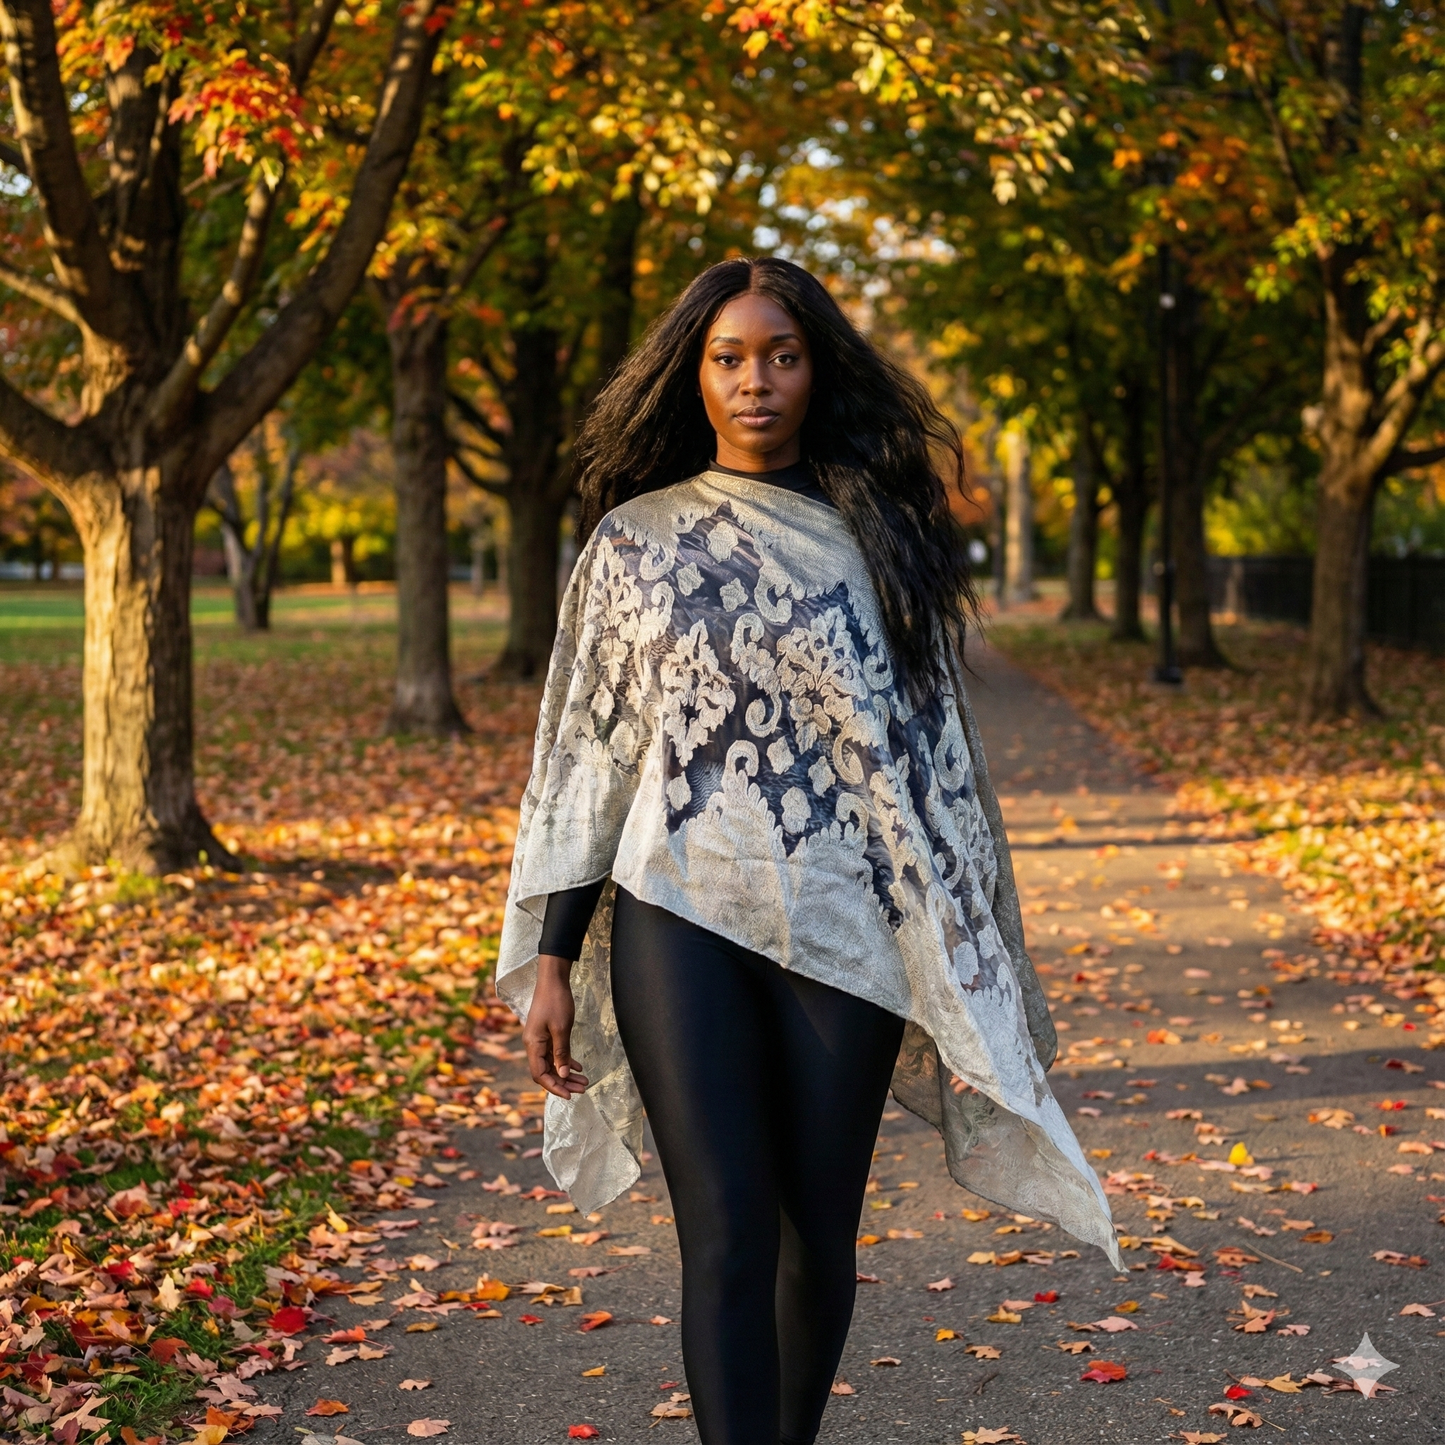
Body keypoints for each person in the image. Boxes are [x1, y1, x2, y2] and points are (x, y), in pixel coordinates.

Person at [496, 257, 1117, 1445]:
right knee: (725, 1222)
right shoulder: (632, 545)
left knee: (814, 1233)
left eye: (780, 354)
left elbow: (928, 762)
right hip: (675, 912)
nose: (755, 380)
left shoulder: (881, 545)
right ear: (692, 375)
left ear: (815, 369)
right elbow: (590, 755)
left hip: (846, 925)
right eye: (727, 357)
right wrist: (551, 957)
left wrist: (961, 934)